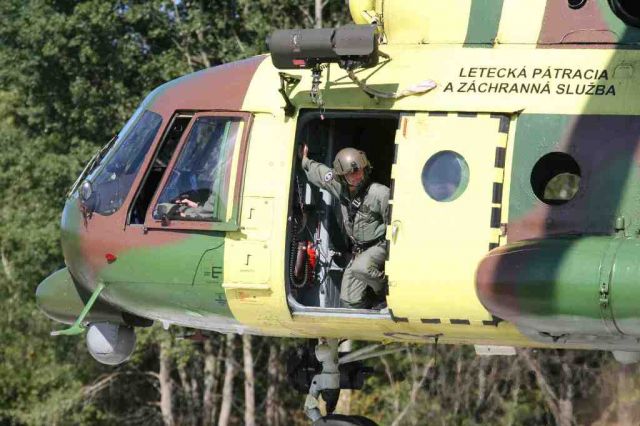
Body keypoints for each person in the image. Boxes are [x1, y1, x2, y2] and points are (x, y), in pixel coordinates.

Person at [301, 145, 390, 309]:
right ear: (342, 176)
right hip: (360, 250)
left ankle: (387, 292)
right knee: (349, 301)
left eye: (359, 171)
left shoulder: (379, 193)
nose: (357, 176)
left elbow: (394, 224)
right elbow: (320, 173)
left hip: (380, 245)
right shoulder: (339, 186)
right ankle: (372, 309)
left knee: (361, 268)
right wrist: (304, 160)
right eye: (351, 173)